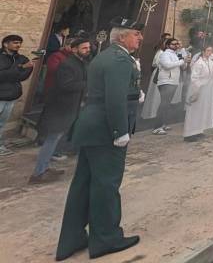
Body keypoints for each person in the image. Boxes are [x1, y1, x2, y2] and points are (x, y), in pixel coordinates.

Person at [55, 17, 143, 261]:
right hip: (106, 129)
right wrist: (120, 131)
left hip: (92, 126)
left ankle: (72, 239)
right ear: (122, 37)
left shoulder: (107, 56)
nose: (140, 37)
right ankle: (106, 238)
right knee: (106, 185)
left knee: (83, 184)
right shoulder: (120, 59)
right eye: (136, 33)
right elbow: (114, 97)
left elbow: (109, 90)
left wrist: (135, 93)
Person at [30, 38, 90, 184]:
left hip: (70, 108)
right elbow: (66, 85)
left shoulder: (81, 63)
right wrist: (88, 83)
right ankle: (38, 173)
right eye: (84, 48)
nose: (87, 50)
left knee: (56, 139)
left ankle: (44, 167)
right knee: (51, 139)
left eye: (88, 48)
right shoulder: (67, 64)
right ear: (74, 49)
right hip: (60, 108)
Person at [0, 34, 35, 157]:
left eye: (19, 43)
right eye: (15, 42)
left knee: (2, 123)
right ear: (6, 44)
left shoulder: (21, 58)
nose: (18, 45)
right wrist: (20, 68)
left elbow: (24, 75)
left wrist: (17, 70)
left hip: (11, 96)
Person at [153, 38, 189, 135]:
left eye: (177, 44)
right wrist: (182, 61)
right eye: (173, 44)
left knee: (167, 104)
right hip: (166, 81)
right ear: (168, 45)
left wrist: (185, 61)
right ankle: (157, 127)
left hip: (173, 81)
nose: (176, 45)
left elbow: (183, 67)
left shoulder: (175, 55)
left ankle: (163, 124)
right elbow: (167, 65)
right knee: (164, 103)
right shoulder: (164, 54)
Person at [183, 46, 213, 141]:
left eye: (211, 50)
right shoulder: (199, 62)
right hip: (197, 88)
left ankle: (199, 130)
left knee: (202, 110)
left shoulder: (210, 62)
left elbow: (211, 75)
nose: (210, 52)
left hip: (206, 89)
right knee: (194, 111)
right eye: (208, 50)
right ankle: (189, 134)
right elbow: (194, 78)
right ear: (203, 51)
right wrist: (196, 90)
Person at [140, 34, 171, 122]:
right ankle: (150, 114)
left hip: (163, 74)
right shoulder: (160, 52)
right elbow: (155, 63)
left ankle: (156, 114)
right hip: (158, 73)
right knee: (154, 94)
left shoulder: (166, 53)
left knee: (159, 96)